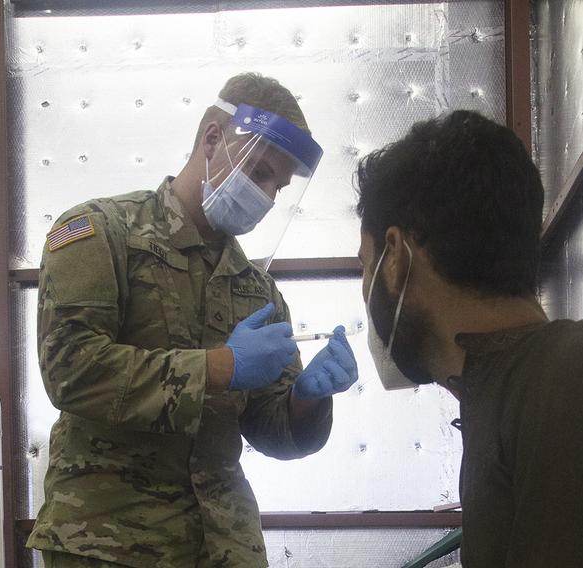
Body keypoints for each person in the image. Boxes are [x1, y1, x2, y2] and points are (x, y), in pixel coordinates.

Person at [354, 110, 583, 567]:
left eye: (365, 266)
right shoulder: (505, 386)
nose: (366, 293)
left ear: (397, 258)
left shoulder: (581, 375)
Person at [27, 72, 359, 568]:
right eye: (260, 172)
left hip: (225, 546)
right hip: (108, 542)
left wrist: (307, 401)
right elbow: (71, 370)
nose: (267, 196)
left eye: (278, 185)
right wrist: (221, 367)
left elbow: (273, 432)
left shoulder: (255, 288)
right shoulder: (102, 232)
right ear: (211, 138)